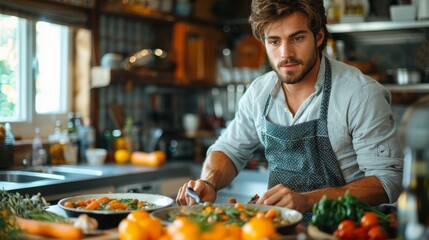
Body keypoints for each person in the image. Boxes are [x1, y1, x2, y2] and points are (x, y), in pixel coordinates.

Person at [176, 0, 403, 223]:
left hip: (346, 231)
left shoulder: (360, 93)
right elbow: (228, 150)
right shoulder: (259, 93)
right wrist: (209, 181)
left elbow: (387, 180)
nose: (285, 54)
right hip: (279, 231)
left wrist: (307, 201)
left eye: (297, 38)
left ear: (319, 36)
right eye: (274, 41)